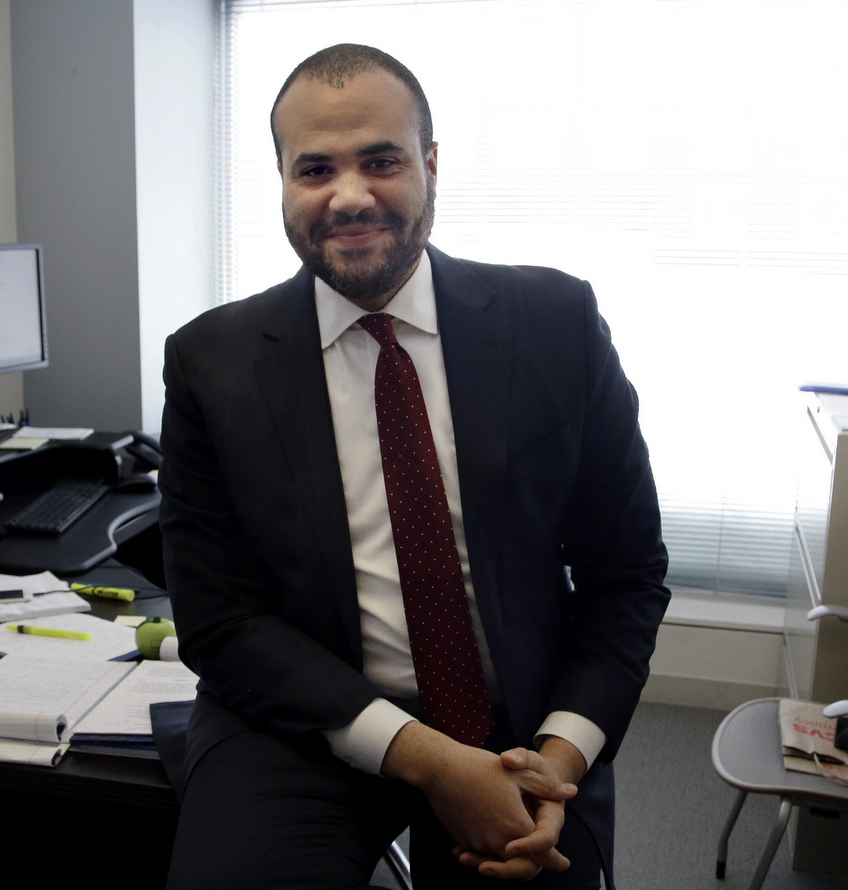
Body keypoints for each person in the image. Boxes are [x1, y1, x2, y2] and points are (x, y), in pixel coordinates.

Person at [159, 43, 669, 889]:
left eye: (382, 161)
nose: (349, 195)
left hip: (524, 724)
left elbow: (626, 576)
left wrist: (559, 756)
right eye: (315, 168)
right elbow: (219, 621)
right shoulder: (210, 361)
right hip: (308, 718)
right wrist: (428, 758)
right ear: (281, 180)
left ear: (430, 165)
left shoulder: (555, 323)